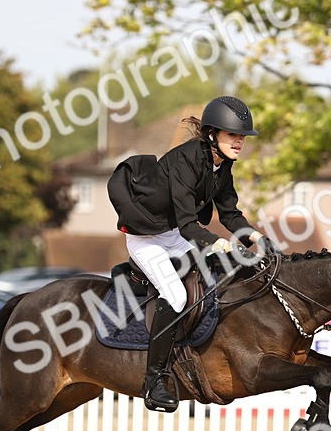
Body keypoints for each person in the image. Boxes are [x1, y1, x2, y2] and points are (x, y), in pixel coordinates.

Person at [107, 95, 277, 413]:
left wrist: (259, 238)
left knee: (215, 277)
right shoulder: (185, 160)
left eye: (242, 136)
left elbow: (230, 215)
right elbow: (189, 224)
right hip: (146, 238)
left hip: (172, 234)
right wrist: (219, 244)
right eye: (232, 135)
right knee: (175, 295)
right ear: (212, 134)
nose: (239, 142)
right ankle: (154, 380)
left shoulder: (222, 167)